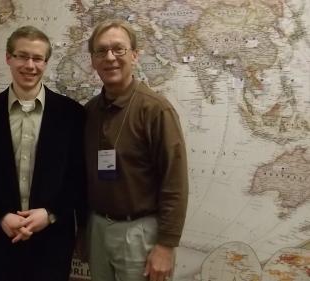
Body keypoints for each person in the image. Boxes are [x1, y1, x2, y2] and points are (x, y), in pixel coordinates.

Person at [0, 25, 86, 281]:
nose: (29, 65)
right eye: (22, 56)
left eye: (37, 58)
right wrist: (0, 216)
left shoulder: (72, 115)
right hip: (0, 243)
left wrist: (50, 213)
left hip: (52, 244)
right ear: (8, 58)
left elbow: (79, 177)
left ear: (46, 62)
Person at [84, 19, 188, 281]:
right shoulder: (90, 111)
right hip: (98, 228)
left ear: (134, 54)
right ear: (93, 60)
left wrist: (166, 246)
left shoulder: (155, 110)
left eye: (118, 49)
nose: (110, 58)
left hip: (140, 233)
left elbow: (175, 182)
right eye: (101, 51)